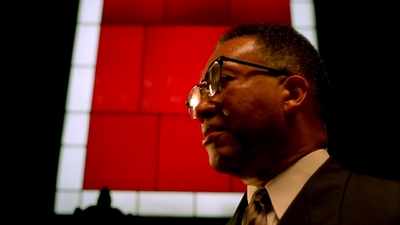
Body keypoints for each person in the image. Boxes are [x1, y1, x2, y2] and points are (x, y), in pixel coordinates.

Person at [185, 23, 399, 225]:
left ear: (292, 93)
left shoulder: (390, 209)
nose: (202, 109)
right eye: (199, 96)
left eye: (220, 83)